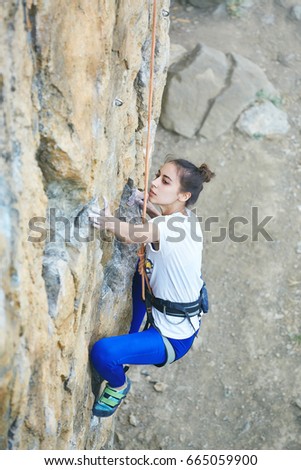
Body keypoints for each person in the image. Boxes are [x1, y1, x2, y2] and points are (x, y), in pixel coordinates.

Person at [89, 155, 215, 418]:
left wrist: (103, 219)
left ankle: (119, 385)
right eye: (157, 175)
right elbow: (161, 222)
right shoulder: (188, 219)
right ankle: (134, 336)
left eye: (165, 181)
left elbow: (129, 234)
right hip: (184, 314)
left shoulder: (164, 227)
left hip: (172, 338)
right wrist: (144, 204)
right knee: (140, 273)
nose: (155, 183)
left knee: (103, 353)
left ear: (183, 195)